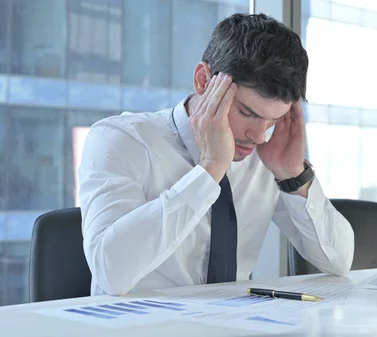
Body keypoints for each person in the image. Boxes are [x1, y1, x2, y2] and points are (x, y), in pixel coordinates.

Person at [78, 13, 355, 296]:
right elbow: (111, 274)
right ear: (203, 80)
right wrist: (210, 169)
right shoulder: (121, 140)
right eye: (247, 112)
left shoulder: (265, 156)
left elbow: (338, 261)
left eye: (274, 120)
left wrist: (294, 177)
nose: (259, 136)